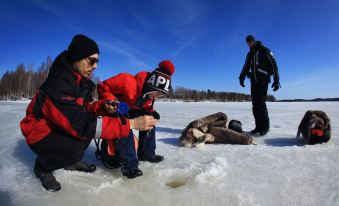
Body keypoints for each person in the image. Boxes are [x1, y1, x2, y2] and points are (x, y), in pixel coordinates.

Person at [20, 34, 156, 192]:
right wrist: (129, 121)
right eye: (92, 60)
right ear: (77, 57)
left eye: (97, 61)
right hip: (39, 131)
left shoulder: (83, 83)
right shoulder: (58, 83)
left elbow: (85, 106)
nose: (96, 66)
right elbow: (102, 90)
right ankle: (43, 167)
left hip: (84, 115)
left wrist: (103, 105)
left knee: (93, 130)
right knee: (81, 141)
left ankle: (142, 155)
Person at [97, 60, 175, 176]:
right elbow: (102, 87)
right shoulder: (126, 80)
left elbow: (146, 106)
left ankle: (147, 154)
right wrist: (114, 103)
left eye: (161, 94)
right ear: (151, 85)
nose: (158, 97)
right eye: (158, 93)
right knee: (125, 125)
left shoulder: (149, 96)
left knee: (149, 119)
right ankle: (130, 165)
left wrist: (152, 112)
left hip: (129, 110)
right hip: (115, 109)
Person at [239, 35, 280, 136]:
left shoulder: (264, 50)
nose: (249, 44)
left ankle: (265, 127)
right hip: (254, 81)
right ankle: (258, 127)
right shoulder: (250, 54)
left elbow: (274, 64)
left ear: (254, 41)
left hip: (263, 80)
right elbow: (246, 66)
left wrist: (276, 79)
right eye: (247, 43)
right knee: (255, 105)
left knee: (261, 103)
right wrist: (241, 77)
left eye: (250, 42)